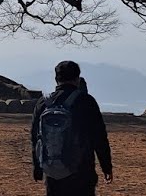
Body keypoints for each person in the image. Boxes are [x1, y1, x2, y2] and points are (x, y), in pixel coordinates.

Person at [31, 61, 112, 196]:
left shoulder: (43, 103)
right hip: (82, 170)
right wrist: (106, 166)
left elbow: (36, 137)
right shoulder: (86, 101)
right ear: (77, 79)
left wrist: (38, 168)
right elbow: (99, 137)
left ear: (56, 79)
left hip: (53, 170)